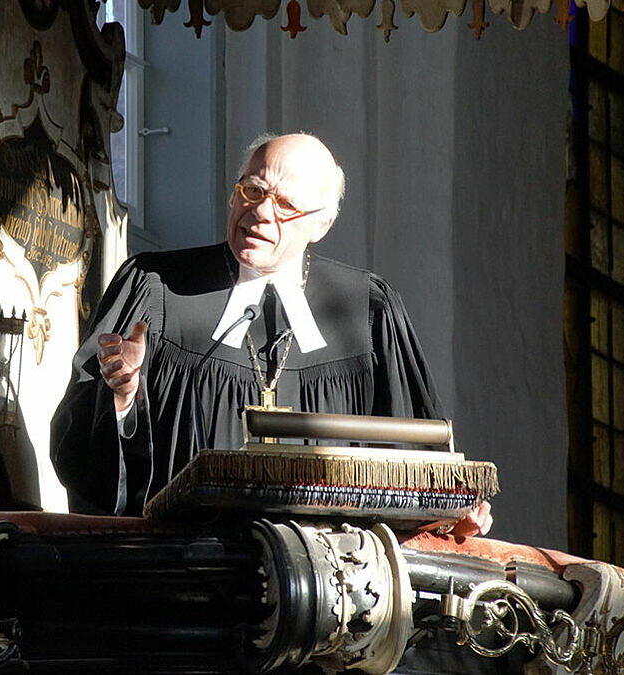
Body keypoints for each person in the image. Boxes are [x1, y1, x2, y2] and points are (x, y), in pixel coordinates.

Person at [50, 132, 491, 535]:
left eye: (285, 204)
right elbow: (83, 459)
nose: (260, 212)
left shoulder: (367, 311)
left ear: (321, 225)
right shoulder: (156, 288)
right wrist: (124, 400)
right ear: (233, 193)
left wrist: (447, 516)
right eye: (253, 190)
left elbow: (413, 463)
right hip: (186, 570)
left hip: (328, 586)